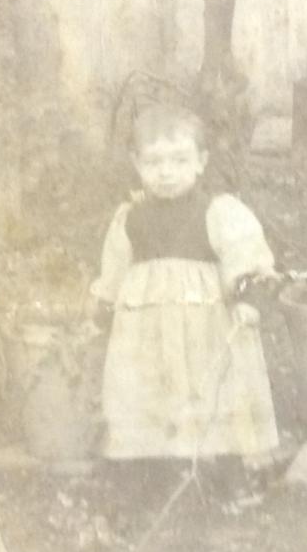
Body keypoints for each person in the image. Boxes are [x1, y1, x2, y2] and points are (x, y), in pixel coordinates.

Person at [90, 102, 279, 501]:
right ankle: (148, 472)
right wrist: (103, 305)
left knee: (214, 392)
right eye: (154, 162)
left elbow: (244, 256)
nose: (166, 172)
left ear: (201, 162)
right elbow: (114, 268)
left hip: (203, 329)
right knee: (145, 393)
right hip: (144, 331)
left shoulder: (218, 212)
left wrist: (247, 297)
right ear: (136, 164)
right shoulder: (130, 218)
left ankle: (229, 473)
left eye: (179, 160)